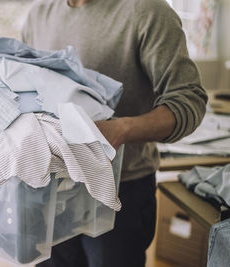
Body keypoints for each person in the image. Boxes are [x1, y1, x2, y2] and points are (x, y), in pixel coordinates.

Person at [21, 0, 208, 266]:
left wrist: (121, 130)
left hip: (121, 191)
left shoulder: (147, 11)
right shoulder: (39, 14)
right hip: (52, 189)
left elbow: (189, 101)